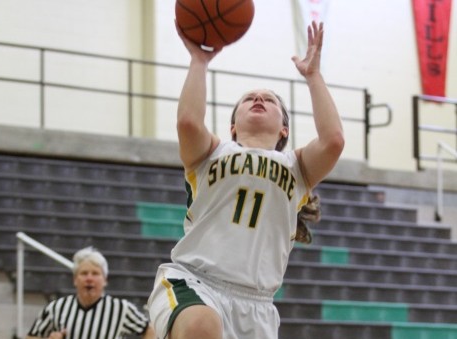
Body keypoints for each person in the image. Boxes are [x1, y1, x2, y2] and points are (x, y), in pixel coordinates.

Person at [147, 20, 344, 339]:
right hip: (195, 280)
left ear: (284, 129)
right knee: (201, 326)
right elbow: (187, 121)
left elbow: (333, 140)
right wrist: (199, 61)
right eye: (249, 98)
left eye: (270, 99)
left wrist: (313, 76)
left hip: (257, 306)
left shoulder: (297, 168)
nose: (258, 99)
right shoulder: (211, 152)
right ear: (233, 127)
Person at [26, 246, 155, 339]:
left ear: (105, 280)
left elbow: (149, 329)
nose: (89, 278)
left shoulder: (121, 309)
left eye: (95, 273)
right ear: (75, 280)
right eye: (84, 273)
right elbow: (31, 336)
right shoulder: (56, 308)